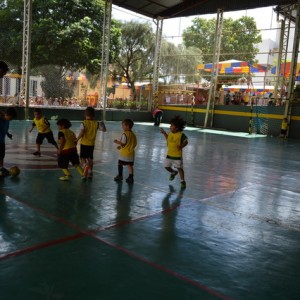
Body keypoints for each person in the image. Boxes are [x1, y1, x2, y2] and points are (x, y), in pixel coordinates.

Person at [76, 106, 106, 179]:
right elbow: (104, 130)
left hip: (84, 143)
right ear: (94, 115)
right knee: (90, 158)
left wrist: (76, 140)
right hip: (91, 144)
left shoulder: (83, 123)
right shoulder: (96, 123)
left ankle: (85, 166)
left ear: (85, 114)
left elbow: (82, 132)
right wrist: (103, 124)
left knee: (82, 158)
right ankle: (90, 172)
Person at [160, 115, 188, 189]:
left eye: (172, 126)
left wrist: (181, 146)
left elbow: (186, 142)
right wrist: (164, 134)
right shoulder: (170, 133)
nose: (170, 127)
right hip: (169, 154)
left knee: (180, 168)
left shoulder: (181, 135)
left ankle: (182, 181)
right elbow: (168, 139)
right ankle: (173, 172)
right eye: (170, 125)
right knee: (166, 166)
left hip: (177, 156)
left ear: (177, 128)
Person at [113, 118, 137, 184]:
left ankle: (120, 176)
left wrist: (117, 142)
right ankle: (131, 177)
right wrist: (120, 146)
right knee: (130, 166)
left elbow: (123, 143)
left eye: (123, 125)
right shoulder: (133, 135)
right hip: (131, 154)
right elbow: (132, 143)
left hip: (124, 154)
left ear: (127, 126)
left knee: (120, 163)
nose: (122, 127)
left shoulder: (125, 134)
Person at [0, 107, 17, 171]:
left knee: (1, 155)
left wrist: (8, 134)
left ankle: (1, 168)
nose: (11, 119)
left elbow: (4, 129)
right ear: (7, 114)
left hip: (2, 141)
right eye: (11, 118)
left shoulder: (7, 121)